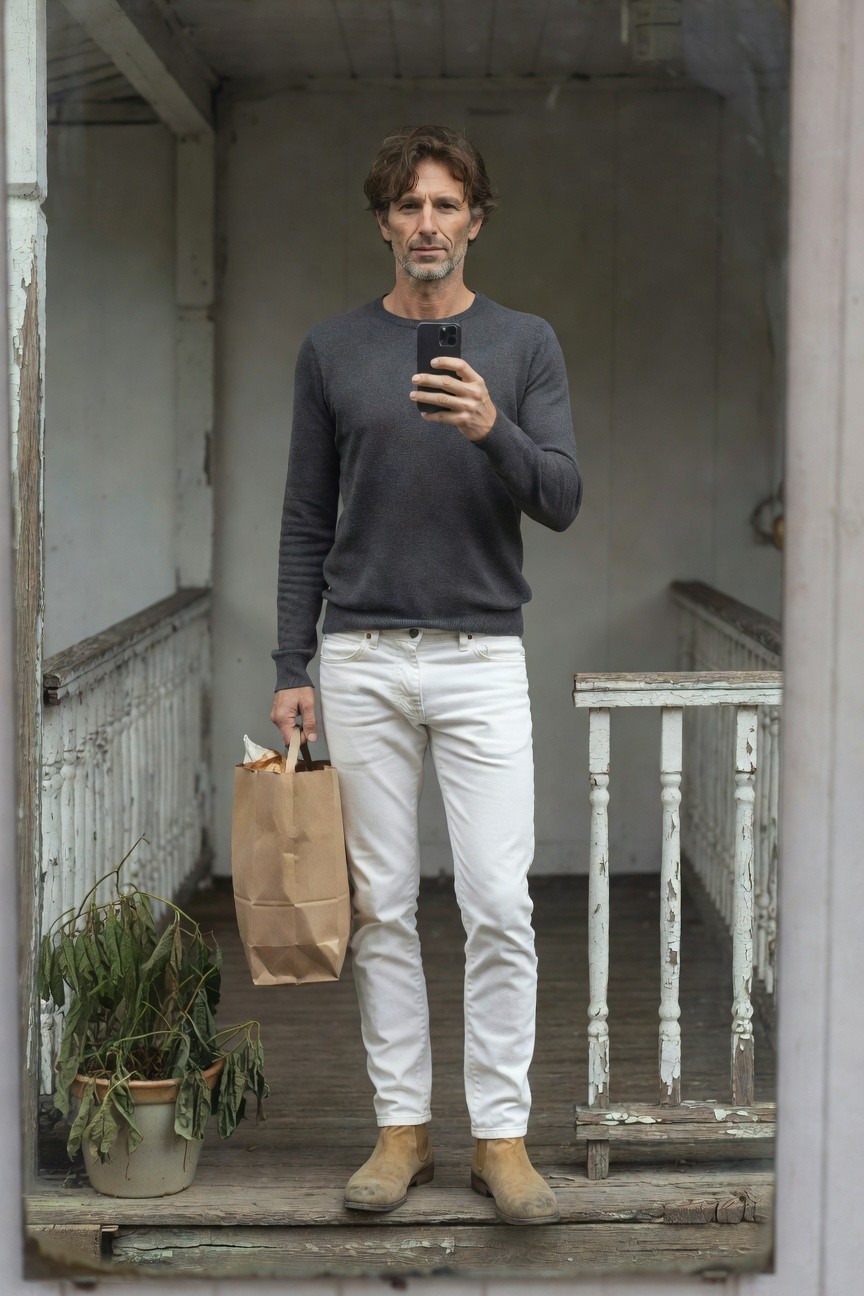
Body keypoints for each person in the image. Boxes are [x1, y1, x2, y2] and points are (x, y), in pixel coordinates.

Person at [270, 125, 582, 1226]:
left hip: (481, 657)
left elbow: (562, 496)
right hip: (360, 659)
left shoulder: (525, 343)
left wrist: (494, 428)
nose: (427, 224)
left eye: (447, 204)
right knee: (382, 910)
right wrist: (292, 662)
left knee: (499, 903)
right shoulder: (332, 351)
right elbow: (305, 518)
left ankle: (502, 1138)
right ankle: (402, 1130)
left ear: (476, 221)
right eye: (408, 205)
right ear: (383, 223)